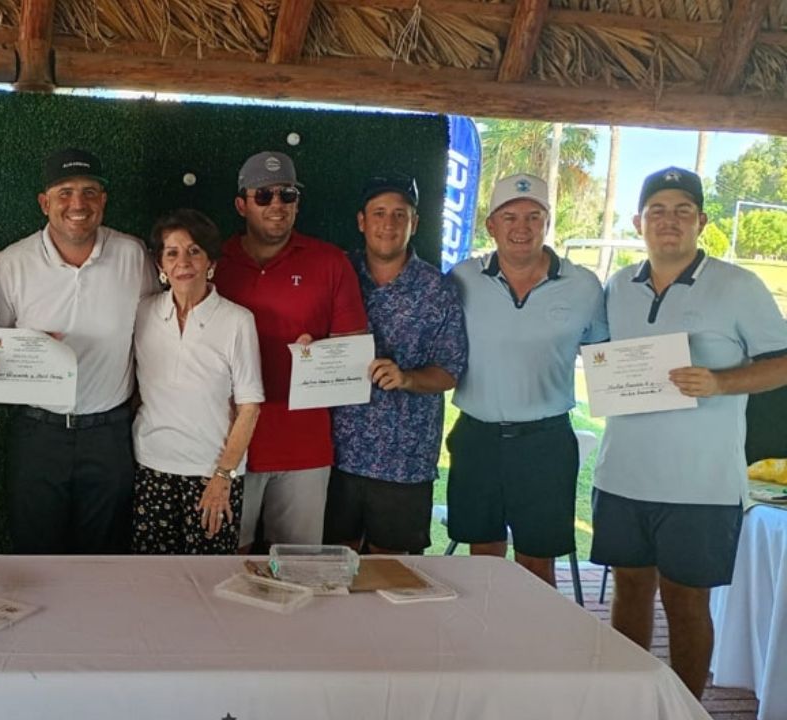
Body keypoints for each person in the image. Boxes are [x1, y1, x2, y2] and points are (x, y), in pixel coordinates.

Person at [593, 167, 787, 699]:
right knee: (629, 590)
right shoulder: (618, 285)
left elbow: (782, 361)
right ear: (638, 222)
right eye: (657, 210)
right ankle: (630, 701)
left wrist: (722, 382)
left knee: (686, 602)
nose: (669, 221)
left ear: (701, 221)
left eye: (682, 210)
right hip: (623, 475)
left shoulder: (738, 285)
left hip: (701, 485)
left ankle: (686, 708)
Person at [447, 173, 608, 585]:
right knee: (483, 561)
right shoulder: (462, 278)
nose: (522, 227)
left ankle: (534, 632)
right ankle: (488, 631)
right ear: (491, 226)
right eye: (510, 217)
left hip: (545, 443)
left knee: (537, 567)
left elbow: (605, 357)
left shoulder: (584, 285)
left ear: (547, 223)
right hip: (478, 438)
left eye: (534, 216)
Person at [0, 148, 156, 553]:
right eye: (64, 193)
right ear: (44, 203)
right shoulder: (13, 262)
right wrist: (27, 351)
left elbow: (157, 333)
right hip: (37, 434)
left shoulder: (133, 255)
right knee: (35, 555)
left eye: (89, 192)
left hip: (110, 434)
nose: (78, 204)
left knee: (104, 556)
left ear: (104, 200)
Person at [213, 150, 367, 550]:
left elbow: (354, 352)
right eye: (263, 196)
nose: (277, 204)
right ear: (241, 205)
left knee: (298, 566)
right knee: (226, 560)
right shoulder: (213, 264)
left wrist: (325, 355)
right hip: (225, 445)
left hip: (304, 446)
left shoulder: (330, 262)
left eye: (287, 194)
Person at [325, 175, 467, 554]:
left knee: (392, 570)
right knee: (333, 562)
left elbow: (450, 371)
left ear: (414, 223)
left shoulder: (437, 289)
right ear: (361, 221)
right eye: (379, 213)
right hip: (337, 453)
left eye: (399, 214)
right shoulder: (336, 272)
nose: (388, 224)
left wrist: (406, 378)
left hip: (405, 461)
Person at [132, 208, 263, 554]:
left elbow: (250, 408)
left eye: (194, 251)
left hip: (213, 474)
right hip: (153, 466)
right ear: (160, 266)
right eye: (172, 253)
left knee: (209, 577)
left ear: (210, 262)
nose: (183, 262)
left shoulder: (237, 321)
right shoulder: (143, 313)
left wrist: (223, 476)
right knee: (153, 576)